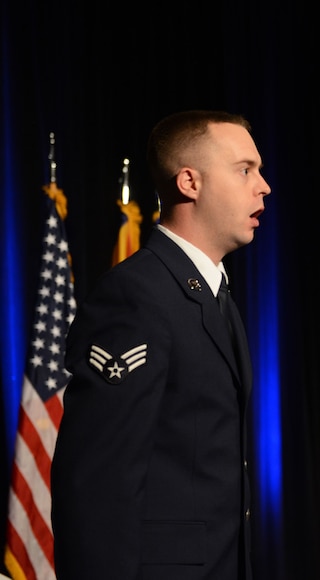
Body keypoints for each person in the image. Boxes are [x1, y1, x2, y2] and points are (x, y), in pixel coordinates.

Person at [51, 110, 271, 580]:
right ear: (190, 182)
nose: (264, 186)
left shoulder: (218, 299)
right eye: (245, 170)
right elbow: (96, 485)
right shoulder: (136, 295)